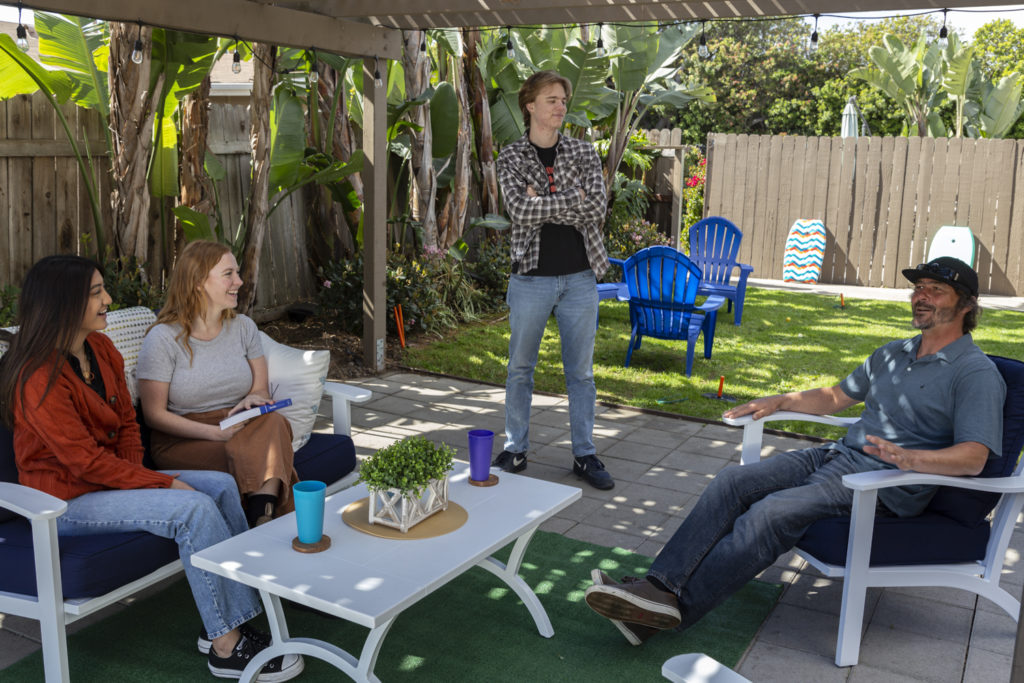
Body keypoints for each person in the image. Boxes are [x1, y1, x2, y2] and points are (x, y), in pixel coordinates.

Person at [583, 257, 1006, 644]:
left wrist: (913, 460)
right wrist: (780, 401)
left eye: (935, 290)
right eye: (919, 288)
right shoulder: (895, 353)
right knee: (733, 480)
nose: (920, 297)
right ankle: (659, 588)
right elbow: (836, 397)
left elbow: (974, 457)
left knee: (770, 513)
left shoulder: (975, 373)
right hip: (836, 456)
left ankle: (663, 612)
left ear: (967, 305)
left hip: (881, 485)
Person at [0, 255, 302, 680]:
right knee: (191, 507)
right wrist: (158, 485)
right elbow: (82, 461)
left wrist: (138, 484)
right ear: (62, 303)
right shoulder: (36, 377)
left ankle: (227, 618)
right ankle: (226, 647)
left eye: (103, 289)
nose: (108, 299)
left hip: (106, 483)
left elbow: (126, 422)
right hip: (63, 500)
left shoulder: (100, 349)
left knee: (218, 486)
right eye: (95, 293)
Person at [494, 69, 613, 490]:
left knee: (580, 374)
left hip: (580, 277)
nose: (561, 106)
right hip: (531, 278)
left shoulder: (583, 153)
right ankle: (516, 448)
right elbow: (519, 213)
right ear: (530, 106)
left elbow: (596, 207)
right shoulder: (510, 157)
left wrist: (543, 200)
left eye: (563, 99)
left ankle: (584, 454)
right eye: (552, 99)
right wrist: (570, 199)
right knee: (520, 368)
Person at [138, 241, 298, 527]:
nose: (239, 281)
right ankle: (267, 518)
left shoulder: (244, 327)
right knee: (259, 449)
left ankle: (261, 517)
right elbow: (154, 415)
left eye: (237, 273)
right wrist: (215, 434)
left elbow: (260, 388)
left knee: (275, 423)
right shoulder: (163, 339)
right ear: (198, 281)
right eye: (228, 274)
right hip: (185, 438)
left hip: (238, 424)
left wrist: (252, 400)